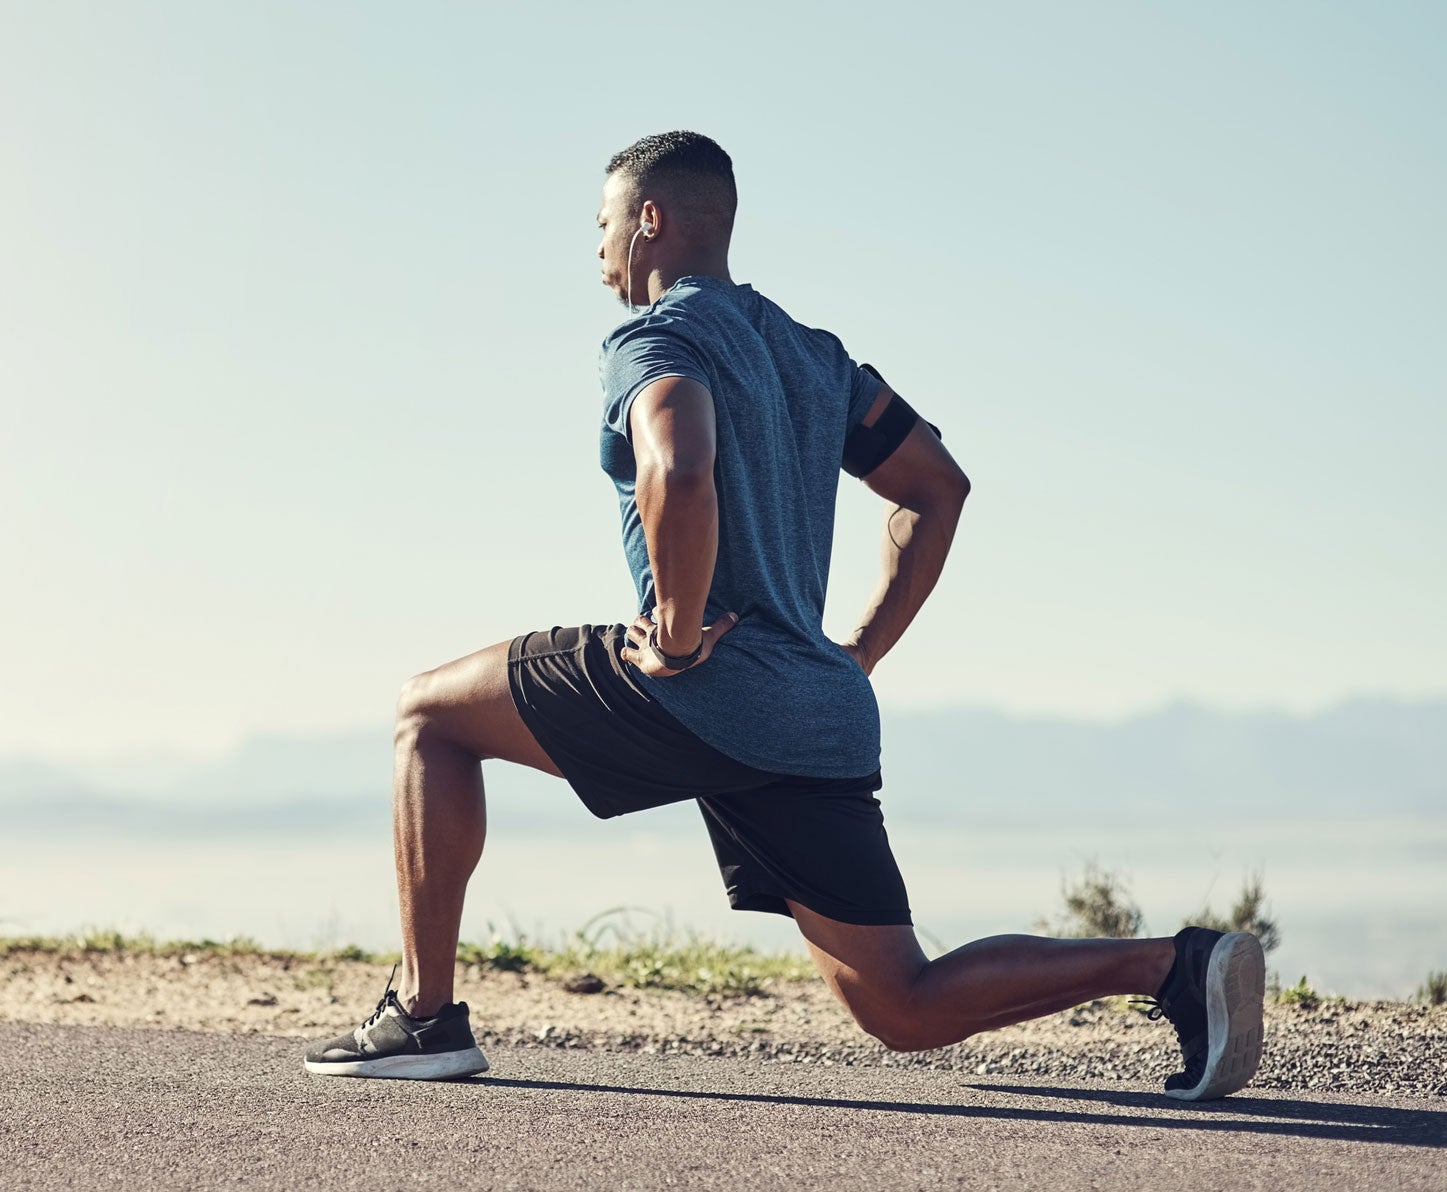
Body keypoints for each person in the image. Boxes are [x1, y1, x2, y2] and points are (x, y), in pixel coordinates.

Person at [301, 130, 1265, 1101]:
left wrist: (676, 633)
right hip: (813, 712)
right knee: (902, 1005)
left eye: (600, 225)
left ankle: (423, 1014)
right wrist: (858, 654)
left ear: (648, 221)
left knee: (428, 715)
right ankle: (1174, 967)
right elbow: (937, 485)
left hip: (697, 687)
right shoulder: (813, 356)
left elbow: (678, 465)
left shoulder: (655, 338)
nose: (595, 252)